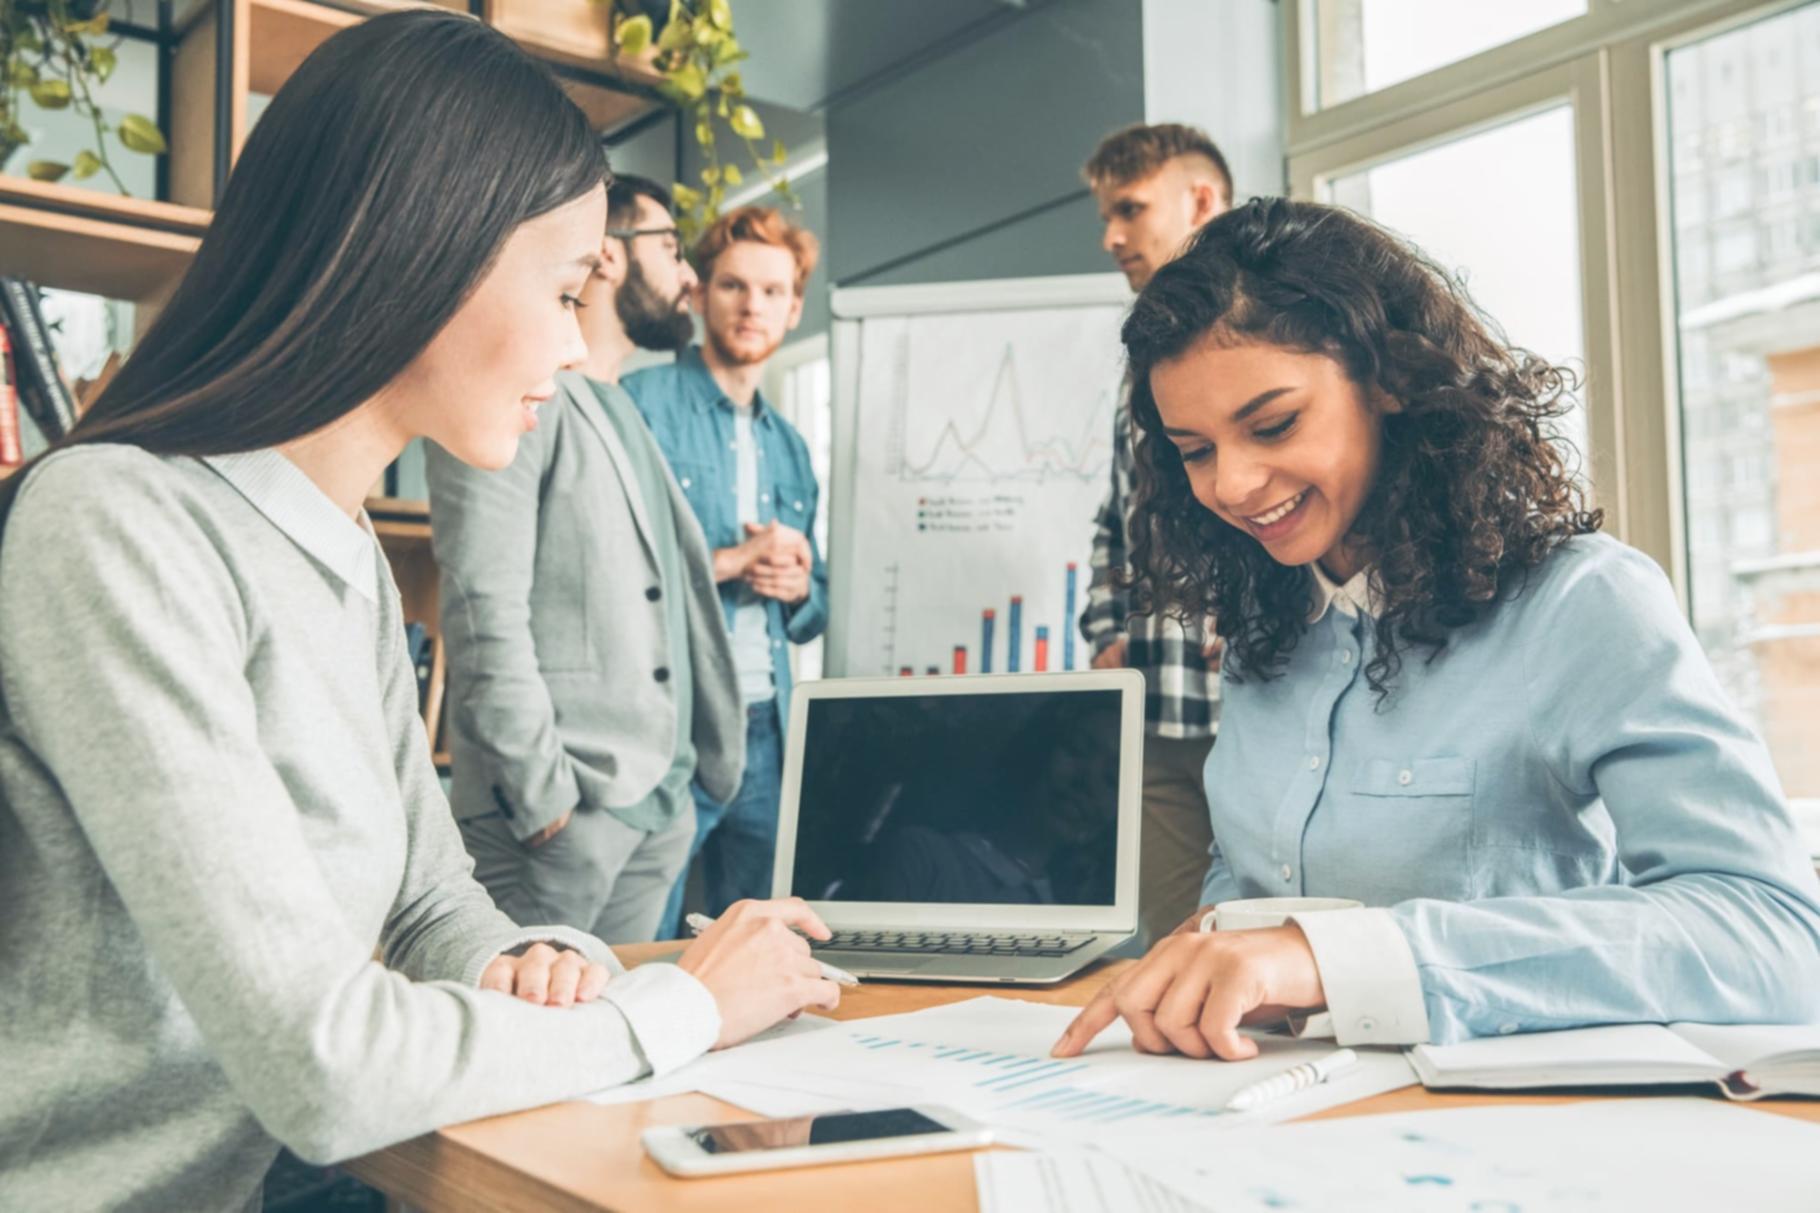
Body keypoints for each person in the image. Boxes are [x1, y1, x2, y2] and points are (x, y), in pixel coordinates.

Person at [0, 15, 836, 1210]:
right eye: (560, 290)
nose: (572, 341)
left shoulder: (342, 550)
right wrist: (682, 1004)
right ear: (421, 248)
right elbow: (323, 1061)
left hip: (315, 1168)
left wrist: (520, 959)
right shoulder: (117, 526)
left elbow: (428, 899)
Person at [1054, 198, 1820, 1063]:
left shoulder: (1583, 603)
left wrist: (1332, 959)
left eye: (1273, 425)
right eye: (1194, 449)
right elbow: (1251, 883)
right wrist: (1212, 951)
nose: (1231, 484)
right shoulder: (1266, 620)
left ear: (1389, 382)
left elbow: (1776, 935)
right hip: (1283, 1118)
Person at [425, 173, 741, 944]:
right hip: (560, 817)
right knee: (520, 1043)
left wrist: (686, 785)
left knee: (614, 1048)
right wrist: (544, 802)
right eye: (670, 249)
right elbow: (480, 602)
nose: (689, 276)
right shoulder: (515, 394)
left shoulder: (623, 405)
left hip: (658, 808)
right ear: (607, 257)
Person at [625, 205, 828, 940]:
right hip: (671, 723)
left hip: (769, 723)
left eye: (773, 292)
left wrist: (801, 584)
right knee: (640, 936)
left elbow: (817, 604)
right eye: (735, 286)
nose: (753, 306)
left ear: (794, 307)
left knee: (757, 936)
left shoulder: (793, 447)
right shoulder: (638, 407)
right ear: (699, 292)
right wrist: (730, 562)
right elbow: (613, 575)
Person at [1078, 123, 1234, 946]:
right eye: (1107, 214)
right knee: (1168, 946)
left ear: (1200, 200)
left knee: (1268, 941)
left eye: (1130, 210)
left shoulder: (1275, 330)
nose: (1111, 236)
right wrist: (1106, 630)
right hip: (1155, 701)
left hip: (1257, 698)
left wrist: (1256, 610)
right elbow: (1117, 513)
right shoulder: (1143, 354)